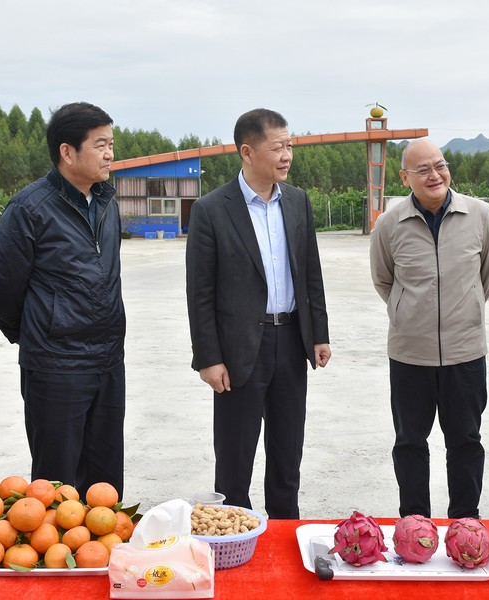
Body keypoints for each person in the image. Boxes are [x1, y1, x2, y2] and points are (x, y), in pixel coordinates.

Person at [185, 108, 331, 519]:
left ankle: (285, 534)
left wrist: (319, 333)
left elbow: (310, 276)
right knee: (234, 459)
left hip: (290, 342)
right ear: (247, 152)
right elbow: (200, 292)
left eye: (290, 146)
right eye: (278, 147)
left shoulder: (298, 202)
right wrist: (208, 358)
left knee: (288, 455)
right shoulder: (213, 209)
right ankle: (235, 536)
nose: (287, 155)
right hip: (237, 350)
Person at [0, 102, 126, 497]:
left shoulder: (106, 202)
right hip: (56, 367)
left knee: (105, 482)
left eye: (111, 144)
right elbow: (1, 291)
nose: (110, 153)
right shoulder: (29, 209)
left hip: (109, 360)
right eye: (100, 145)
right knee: (56, 486)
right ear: (68, 151)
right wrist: (39, 331)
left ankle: (106, 557)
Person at [370, 138, 489, 519]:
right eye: (423, 169)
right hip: (410, 355)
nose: (435, 174)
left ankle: (465, 521)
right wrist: (408, 312)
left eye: (440, 165)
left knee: (465, 440)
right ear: (404, 177)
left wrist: (466, 310)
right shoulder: (390, 223)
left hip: (466, 352)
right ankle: (414, 521)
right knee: (410, 442)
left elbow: (488, 276)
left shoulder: (479, 215)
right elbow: (384, 280)